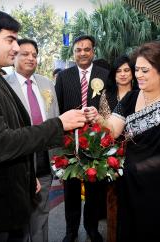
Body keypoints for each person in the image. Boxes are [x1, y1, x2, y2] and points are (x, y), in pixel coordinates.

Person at [0, 9, 86, 242]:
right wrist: (58, 124)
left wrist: (28, 177)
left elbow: (16, 131)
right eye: (10, 39)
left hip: (7, 205)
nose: (17, 48)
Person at [85, 41, 160, 242]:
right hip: (130, 189)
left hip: (158, 194)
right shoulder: (131, 97)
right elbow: (114, 130)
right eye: (137, 70)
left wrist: (126, 169)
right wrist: (97, 118)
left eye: (145, 70)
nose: (139, 75)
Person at [55, 35, 109, 242]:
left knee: (95, 190)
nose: (83, 53)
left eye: (87, 49)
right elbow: (58, 110)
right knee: (71, 189)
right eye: (78, 49)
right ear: (74, 53)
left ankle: (92, 228)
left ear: (93, 51)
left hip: (97, 141)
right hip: (70, 142)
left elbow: (110, 106)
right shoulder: (63, 76)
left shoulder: (105, 75)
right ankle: (70, 231)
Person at [5, 38, 59, 242]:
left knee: (42, 213)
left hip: (45, 158)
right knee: (19, 218)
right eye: (24, 54)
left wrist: (58, 158)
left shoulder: (46, 83)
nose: (30, 58)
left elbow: (55, 118)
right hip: (18, 161)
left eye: (34, 55)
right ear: (14, 56)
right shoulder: (3, 86)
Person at [97, 55, 137, 242]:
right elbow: (106, 124)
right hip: (112, 153)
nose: (122, 74)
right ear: (113, 74)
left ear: (133, 73)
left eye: (126, 70)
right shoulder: (107, 94)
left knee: (133, 199)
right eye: (118, 71)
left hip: (138, 151)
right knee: (113, 199)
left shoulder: (141, 93)